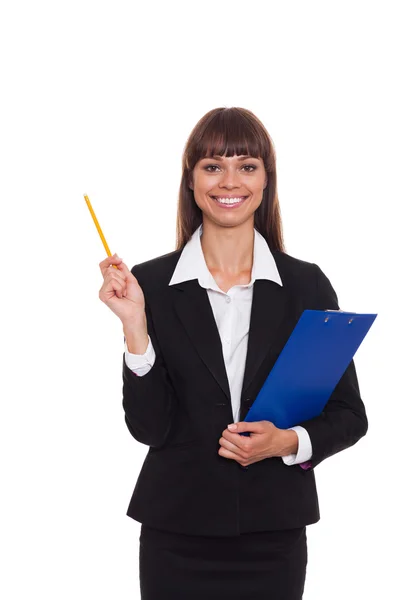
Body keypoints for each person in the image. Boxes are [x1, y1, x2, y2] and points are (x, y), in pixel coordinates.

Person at [98, 107, 368, 600]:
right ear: (192, 181)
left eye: (247, 165)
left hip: (274, 534)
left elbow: (349, 415)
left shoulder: (305, 285)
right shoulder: (152, 284)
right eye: (212, 165)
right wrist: (135, 325)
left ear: (266, 180)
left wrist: (285, 442)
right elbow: (149, 428)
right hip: (175, 532)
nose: (230, 180)